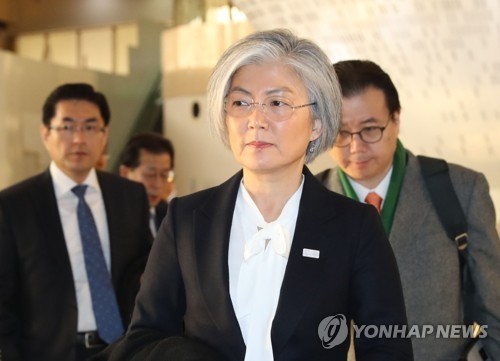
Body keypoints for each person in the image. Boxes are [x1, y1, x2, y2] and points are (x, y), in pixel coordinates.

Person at [100, 29, 413, 361]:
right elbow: (144, 336)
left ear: (317, 124)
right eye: (241, 102)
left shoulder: (354, 226)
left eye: (277, 103)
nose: (255, 120)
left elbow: (386, 345)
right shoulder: (187, 220)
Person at [318, 59, 500, 360]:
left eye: (370, 129)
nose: (355, 147)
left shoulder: (460, 189)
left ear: (396, 119)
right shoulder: (309, 202)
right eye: (340, 133)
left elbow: (494, 305)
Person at [0, 83, 152, 361]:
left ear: (105, 135)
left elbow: (146, 270)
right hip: (47, 353)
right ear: (45, 133)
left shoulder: (130, 197)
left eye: (90, 127)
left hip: (121, 350)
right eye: (67, 127)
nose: (79, 139)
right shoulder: (13, 205)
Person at [119, 132, 175, 237]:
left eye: (164, 175)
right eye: (150, 175)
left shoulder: (170, 215)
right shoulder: (113, 217)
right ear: (125, 173)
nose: (158, 184)